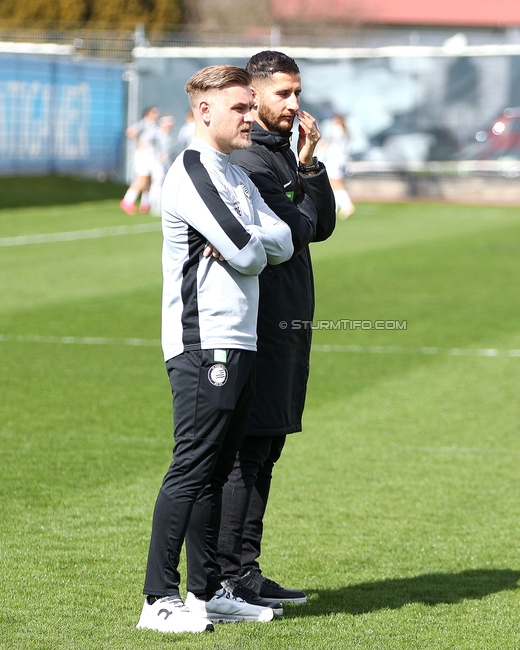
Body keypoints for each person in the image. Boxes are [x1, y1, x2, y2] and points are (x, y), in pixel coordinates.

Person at [136, 64, 294, 635]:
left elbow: (280, 236)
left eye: (252, 106)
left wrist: (249, 242)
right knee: (192, 468)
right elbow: (252, 254)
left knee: (219, 467)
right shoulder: (193, 170)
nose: (252, 117)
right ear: (205, 112)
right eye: (240, 108)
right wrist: (250, 243)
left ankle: (206, 593)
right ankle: (158, 599)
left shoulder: (232, 172)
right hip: (204, 343)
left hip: (240, 337)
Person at [219, 50, 337, 608]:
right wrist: (301, 184)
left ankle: (246, 570)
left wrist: (310, 165)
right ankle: (227, 575)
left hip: (290, 322)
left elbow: (324, 224)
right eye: (282, 94)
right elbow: (300, 228)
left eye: (297, 93)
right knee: (248, 450)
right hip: (261, 324)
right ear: (256, 94)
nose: (294, 105)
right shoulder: (252, 163)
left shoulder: (284, 156)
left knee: (267, 447)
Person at [121, 106, 160, 215]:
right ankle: (127, 201)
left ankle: (145, 203)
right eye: (154, 113)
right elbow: (130, 131)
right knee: (141, 178)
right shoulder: (144, 124)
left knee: (148, 179)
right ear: (148, 114)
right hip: (143, 155)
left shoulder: (153, 126)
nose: (156, 115)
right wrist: (138, 142)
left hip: (150, 155)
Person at [316, 114, 355, 218]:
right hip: (341, 159)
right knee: (332, 183)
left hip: (335, 160)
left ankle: (347, 205)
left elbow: (327, 142)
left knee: (336, 183)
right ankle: (335, 206)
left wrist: (320, 148)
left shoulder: (337, 130)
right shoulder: (346, 131)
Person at [148, 113, 175, 216]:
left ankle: (160, 204)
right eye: (168, 122)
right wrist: (156, 154)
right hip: (156, 162)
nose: (171, 124)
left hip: (165, 162)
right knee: (157, 182)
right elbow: (147, 142)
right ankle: (154, 205)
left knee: (163, 182)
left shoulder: (169, 135)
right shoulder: (156, 133)